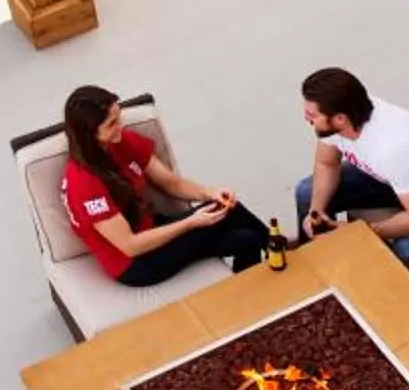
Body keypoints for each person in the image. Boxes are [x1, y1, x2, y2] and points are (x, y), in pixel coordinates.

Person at [58, 86, 269, 285]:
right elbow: (130, 245)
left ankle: (257, 290)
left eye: (119, 116)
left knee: (245, 236)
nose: (120, 125)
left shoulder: (120, 142)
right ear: (90, 134)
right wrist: (190, 223)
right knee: (235, 217)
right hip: (135, 263)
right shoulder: (84, 183)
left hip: (151, 226)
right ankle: (279, 248)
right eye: (111, 124)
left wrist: (209, 192)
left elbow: (171, 183)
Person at [294, 66, 409, 284]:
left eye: (312, 115)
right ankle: (316, 273)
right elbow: (327, 164)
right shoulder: (343, 114)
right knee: (306, 192)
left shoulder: (391, 150)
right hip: (390, 178)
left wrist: (358, 232)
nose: (306, 119)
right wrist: (316, 211)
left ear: (340, 119)